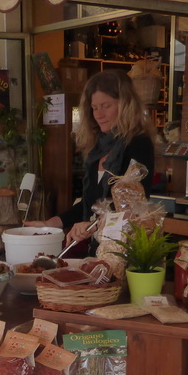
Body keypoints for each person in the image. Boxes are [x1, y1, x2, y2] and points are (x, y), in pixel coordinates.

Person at [29, 70, 155, 246]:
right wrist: (50, 224)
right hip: (96, 249)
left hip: (124, 249)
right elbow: (91, 206)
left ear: (126, 104)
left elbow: (131, 206)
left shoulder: (138, 144)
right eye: (94, 108)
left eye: (106, 106)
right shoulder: (97, 148)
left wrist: (93, 225)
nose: (98, 114)